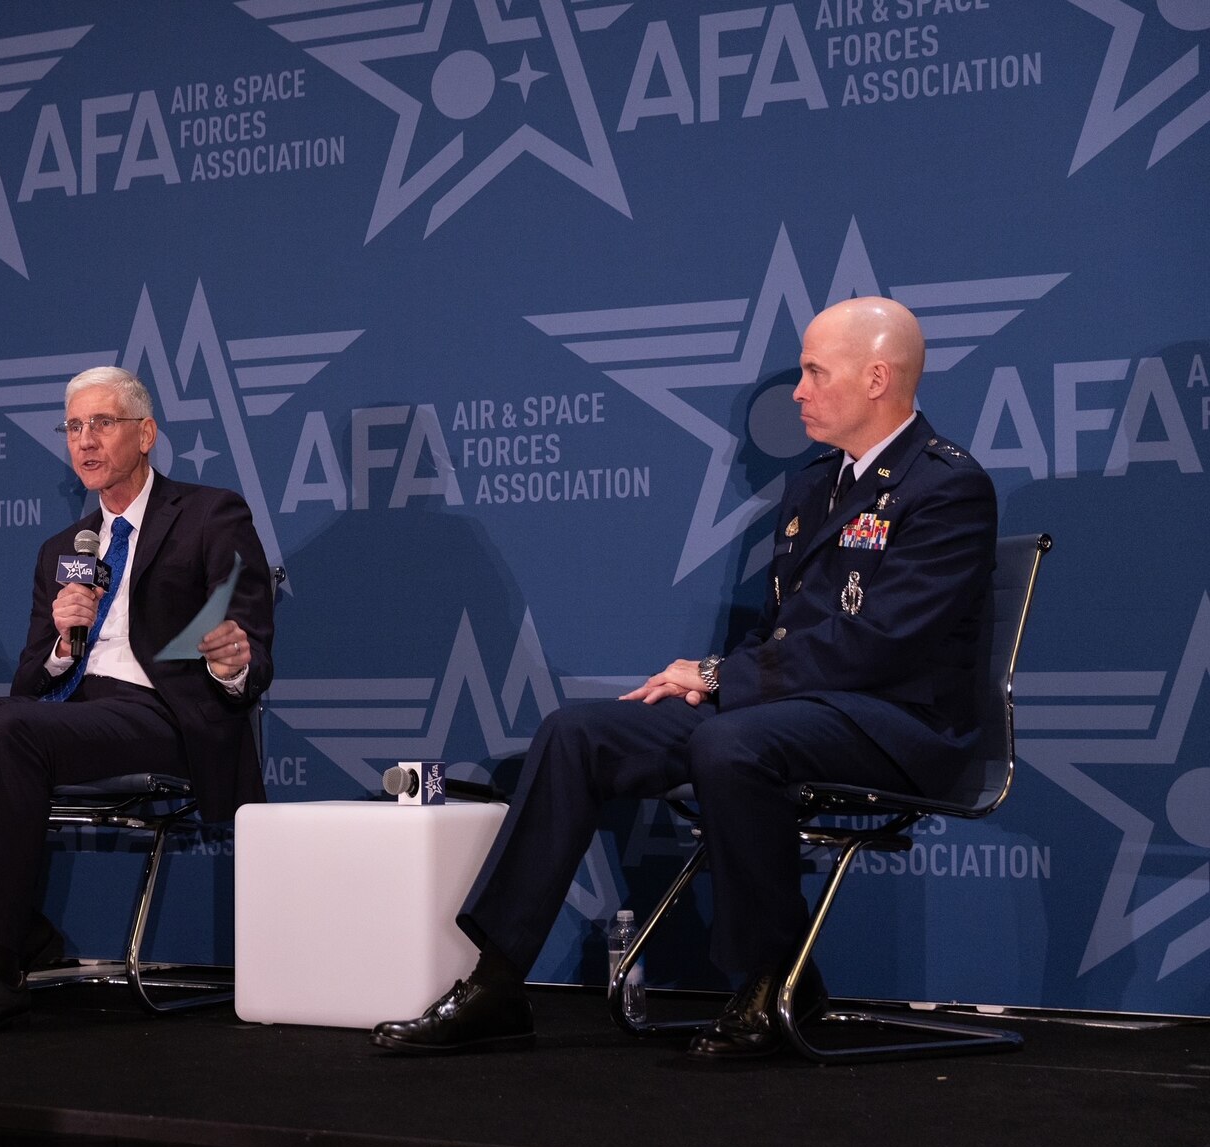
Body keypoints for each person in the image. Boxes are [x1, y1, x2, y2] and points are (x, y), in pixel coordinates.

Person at [373, 297, 997, 1059]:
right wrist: (726, 683)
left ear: (876, 378)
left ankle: (771, 982)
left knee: (733, 742)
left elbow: (878, 644)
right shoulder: (811, 488)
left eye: (811, 372)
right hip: (792, 709)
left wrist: (718, 674)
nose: (796, 391)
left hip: (899, 724)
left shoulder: (946, 487)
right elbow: (791, 633)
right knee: (579, 733)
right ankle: (498, 980)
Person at [0, 366, 276, 1036]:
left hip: (162, 715)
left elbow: (247, 631)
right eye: (73, 427)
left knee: (15, 728)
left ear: (145, 433)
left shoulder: (208, 514)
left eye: (100, 423)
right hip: (66, 712)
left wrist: (231, 660)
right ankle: (22, 934)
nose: (84, 440)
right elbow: (28, 683)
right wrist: (60, 644)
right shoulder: (63, 551)